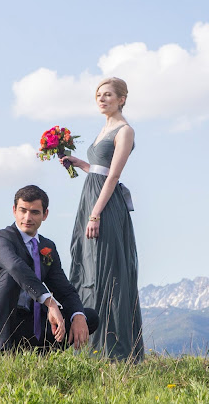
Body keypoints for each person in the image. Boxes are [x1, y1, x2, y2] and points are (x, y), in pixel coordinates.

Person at [0, 185, 98, 352]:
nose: (27, 217)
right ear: (14, 211)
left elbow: (65, 290)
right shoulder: (1, 238)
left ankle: (40, 355)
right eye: (23, 210)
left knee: (89, 317)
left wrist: (78, 315)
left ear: (45, 215)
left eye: (35, 212)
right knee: (10, 277)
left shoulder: (47, 247)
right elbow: (16, 267)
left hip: (31, 322)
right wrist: (50, 302)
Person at [60, 77, 144, 361]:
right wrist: (79, 163)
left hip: (104, 206)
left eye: (108, 95)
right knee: (88, 267)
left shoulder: (125, 130)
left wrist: (96, 213)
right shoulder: (104, 128)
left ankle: (114, 349)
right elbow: (98, 169)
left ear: (122, 99)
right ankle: (86, 342)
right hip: (91, 198)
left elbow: (114, 175)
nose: (101, 99)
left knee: (108, 271)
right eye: (98, 95)